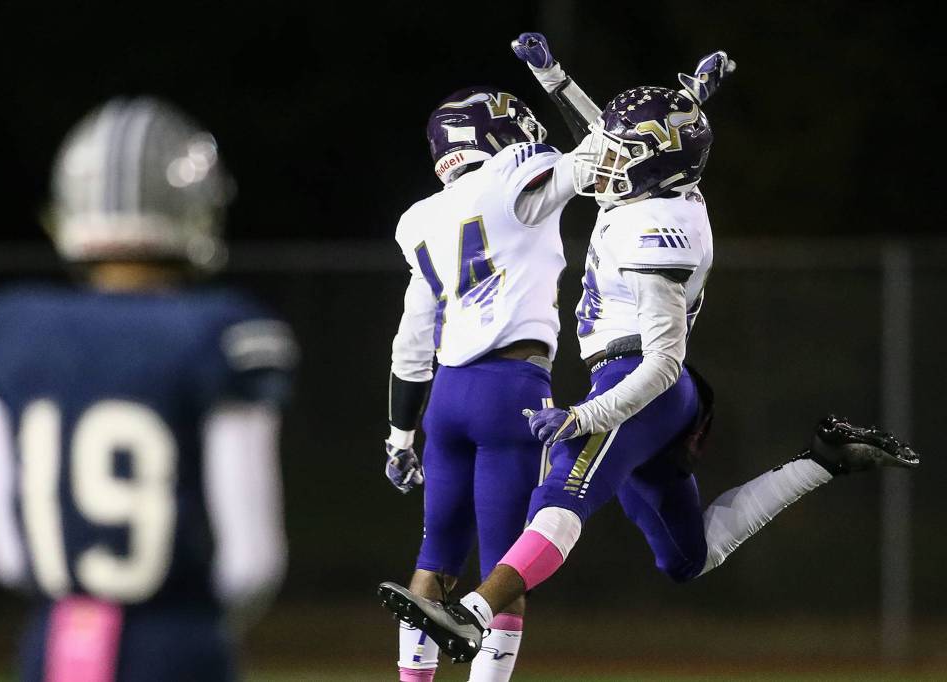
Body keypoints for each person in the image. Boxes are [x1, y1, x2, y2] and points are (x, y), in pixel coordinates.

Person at [379, 34, 920, 663]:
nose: (610, 158)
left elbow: (662, 363)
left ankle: (474, 612)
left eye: (627, 152)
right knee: (688, 558)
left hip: (639, 383)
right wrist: (573, 81)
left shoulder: (661, 227)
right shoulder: (657, 185)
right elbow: (622, 140)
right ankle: (823, 459)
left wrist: (586, 415)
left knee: (559, 502)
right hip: (642, 391)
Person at [0, 97, 296, 682]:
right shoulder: (223, 331)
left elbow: (10, 557)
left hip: (54, 643)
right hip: (176, 644)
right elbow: (250, 562)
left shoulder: (6, 328)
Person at [383, 80, 597, 681]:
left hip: (446, 398)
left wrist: (400, 437)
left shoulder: (420, 219)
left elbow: (412, 339)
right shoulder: (514, 171)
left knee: (434, 561)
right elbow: (601, 152)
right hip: (513, 391)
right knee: (502, 574)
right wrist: (559, 83)